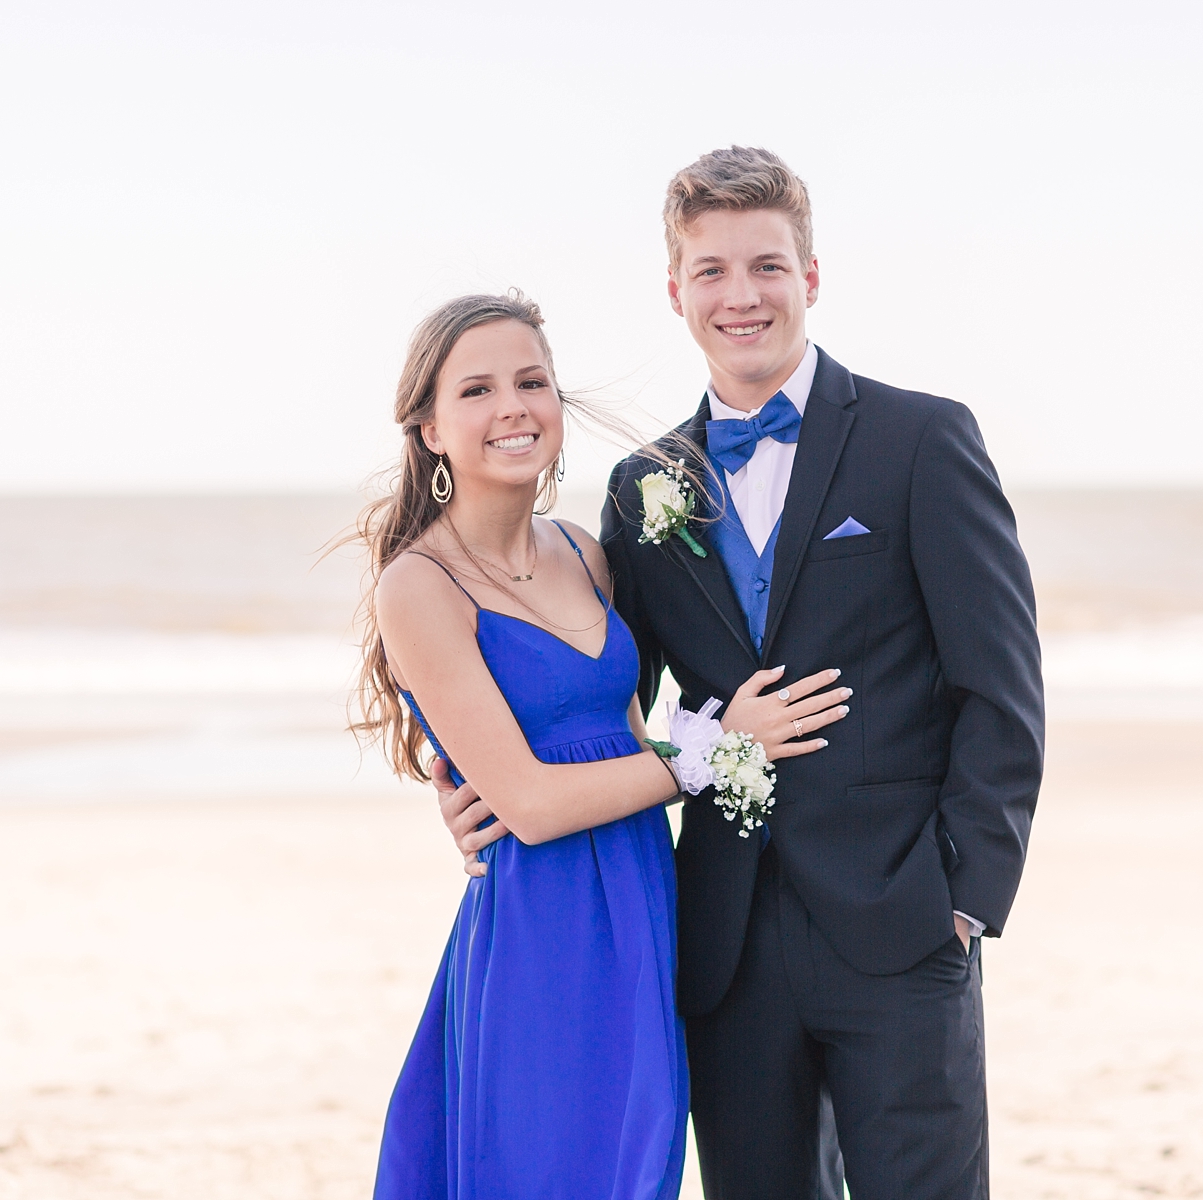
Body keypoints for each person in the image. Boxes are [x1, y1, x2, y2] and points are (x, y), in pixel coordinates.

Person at [438, 148, 1045, 1199]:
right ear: (676, 292)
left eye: (766, 266)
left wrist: (964, 898)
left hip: (901, 924)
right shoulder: (642, 489)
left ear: (811, 276)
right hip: (721, 943)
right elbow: (594, 692)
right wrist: (465, 788)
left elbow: (1001, 685)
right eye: (711, 271)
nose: (741, 296)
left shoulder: (921, 440)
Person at [358, 290, 851, 1199]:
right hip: (541, 930)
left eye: (531, 381)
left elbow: (619, 746)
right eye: (476, 390)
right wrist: (715, 750)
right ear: (428, 427)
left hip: (642, 903)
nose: (513, 407)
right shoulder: (417, 586)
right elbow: (535, 807)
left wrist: (691, 754)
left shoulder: (585, 553)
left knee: (640, 1163)